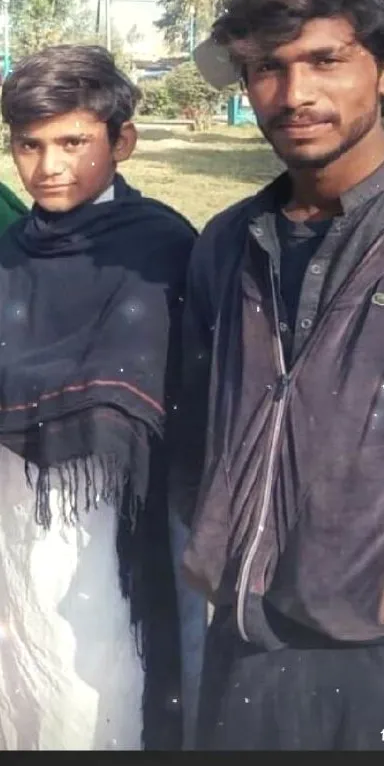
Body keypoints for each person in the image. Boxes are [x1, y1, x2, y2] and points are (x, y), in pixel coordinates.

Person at [170, 0, 384, 750]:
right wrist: (211, 536)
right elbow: (193, 415)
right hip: (246, 639)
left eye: (324, 61)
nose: (294, 93)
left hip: (379, 653)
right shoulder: (226, 243)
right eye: (266, 67)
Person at [0, 44, 196, 750]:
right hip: (12, 514)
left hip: (108, 521)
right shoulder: (14, 246)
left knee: (90, 687)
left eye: (73, 142)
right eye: (30, 144)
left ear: (124, 141)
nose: (49, 166)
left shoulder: (159, 247)